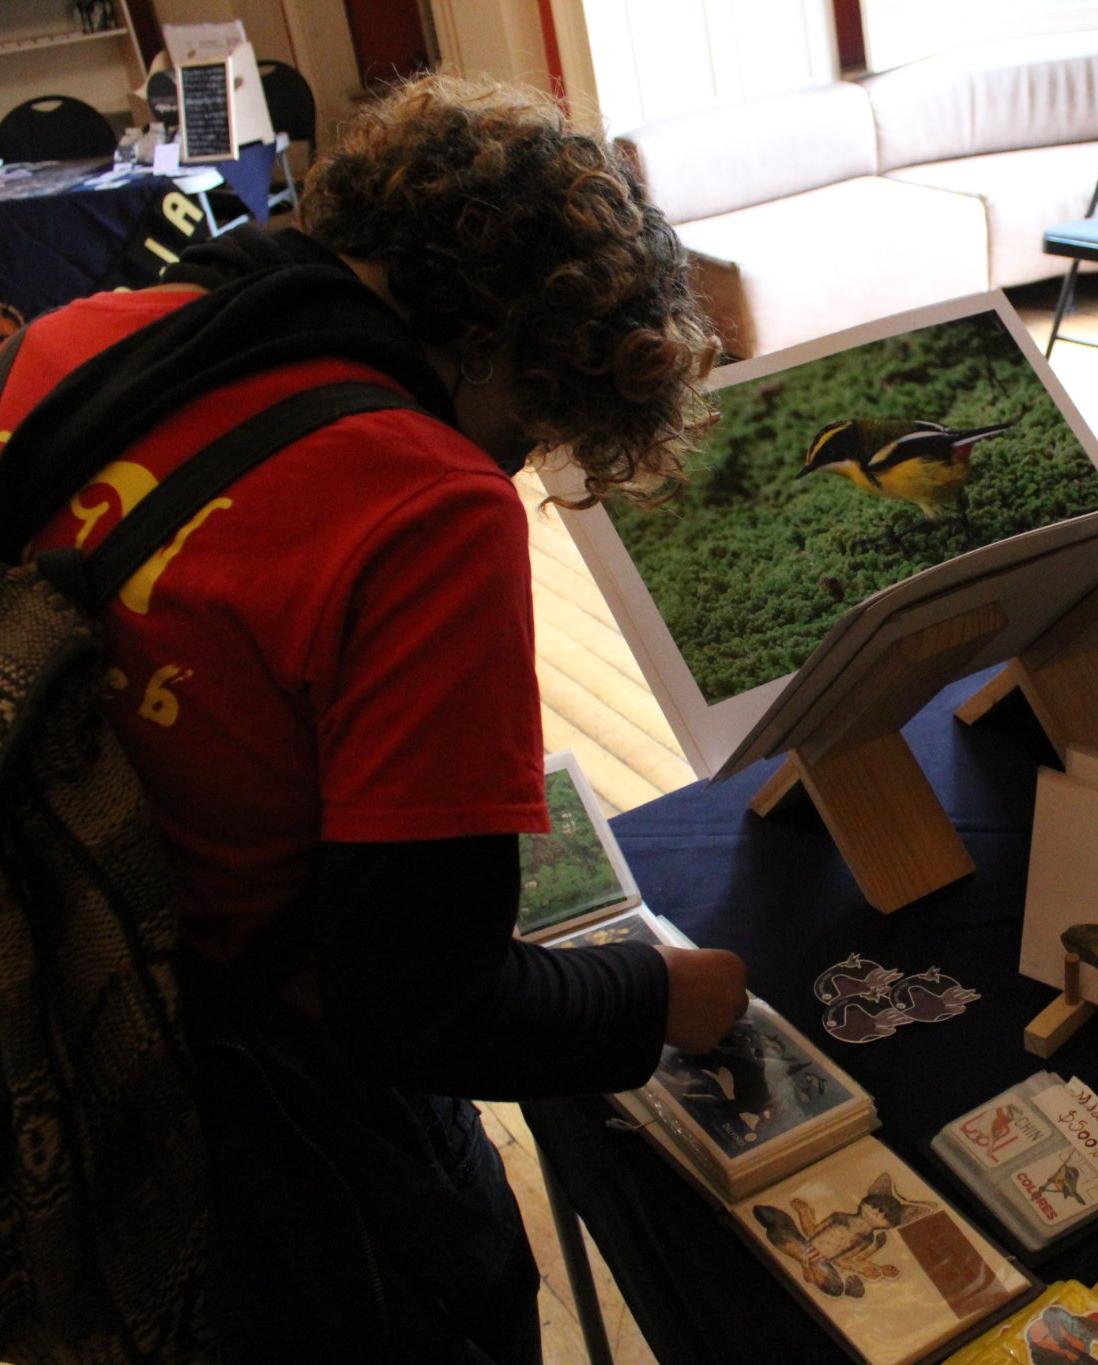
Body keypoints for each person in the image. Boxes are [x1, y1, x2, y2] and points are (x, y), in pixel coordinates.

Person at [0, 77, 748, 1361]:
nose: (507, 464)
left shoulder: (84, 332)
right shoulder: (426, 508)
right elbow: (421, 1011)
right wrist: (656, 996)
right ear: (512, 345)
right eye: (524, 426)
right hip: (254, 1118)